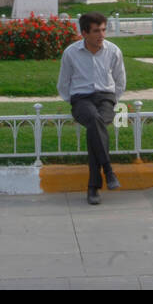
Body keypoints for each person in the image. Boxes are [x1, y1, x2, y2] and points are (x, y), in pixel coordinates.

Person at [57, 12, 126, 205]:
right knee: (95, 122)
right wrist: (73, 101)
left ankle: (94, 186)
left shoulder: (113, 51)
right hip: (81, 99)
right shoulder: (71, 53)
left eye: (103, 30)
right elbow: (63, 83)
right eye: (96, 31)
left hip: (105, 99)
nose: (101, 35)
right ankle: (108, 171)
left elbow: (120, 82)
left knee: (95, 128)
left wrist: (112, 100)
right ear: (84, 33)